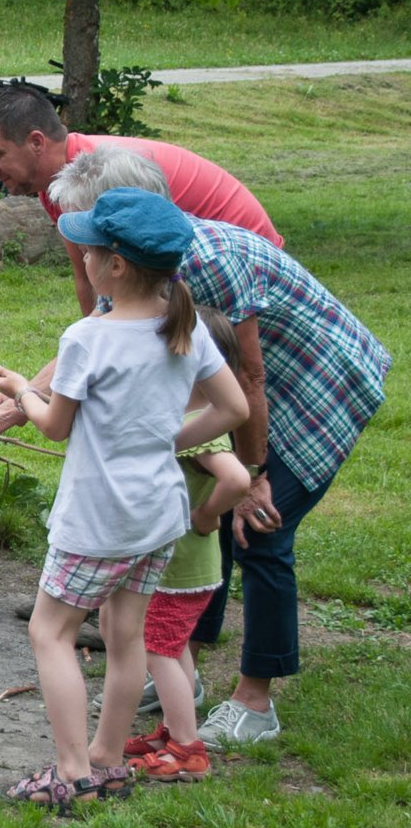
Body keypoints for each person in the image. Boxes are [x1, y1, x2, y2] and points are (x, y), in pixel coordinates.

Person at [0, 148, 390, 749]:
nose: (81, 254)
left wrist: (254, 472)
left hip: (317, 380)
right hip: (228, 406)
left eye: (91, 235)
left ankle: (255, 701)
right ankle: (182, 669)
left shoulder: (210, 267)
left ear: (126, 244)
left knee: (259, 528)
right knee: (200, 532)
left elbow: (251, 381)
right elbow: (96, 354)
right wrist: (3, 413)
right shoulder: (152, 275)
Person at [0, 190, 246, 812]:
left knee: (50, 632)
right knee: (126, 634)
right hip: (156, 517)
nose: (81, 256)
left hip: (98, 519)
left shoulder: (88, 337)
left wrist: (22, 390)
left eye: (89, 249)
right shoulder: (183, 326)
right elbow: (234, 409)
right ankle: (106, 760)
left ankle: (73, 770)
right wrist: (165, 441)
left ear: (116, 267)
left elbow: (53, 425)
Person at [0, 82, 281, 314]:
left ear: (37, 142)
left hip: (241, 257)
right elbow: (89, 278)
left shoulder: (98, 174)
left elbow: (122, 294)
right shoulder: (57, 183)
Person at [124, 307, 253, 783]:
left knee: (159, 648)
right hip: (178, 569)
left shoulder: (200, 428)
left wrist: (205, 515)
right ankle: (173, 731)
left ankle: (187, 750)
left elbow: (237, 478)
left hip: (183, 571)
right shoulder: (188, 418)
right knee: (172, 648)